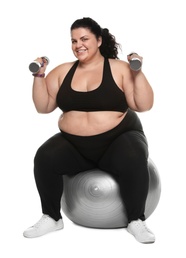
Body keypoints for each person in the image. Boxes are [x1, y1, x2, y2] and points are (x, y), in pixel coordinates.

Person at [23, 17, 155, 244]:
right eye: (74, 41)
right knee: (44, 157)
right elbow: (43, 107)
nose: (78, 45)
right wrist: (39, 76)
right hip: (76, 145)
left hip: (118, 140)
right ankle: (52, 217)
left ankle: (136, 220)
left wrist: (138, 72)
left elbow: (143, 105)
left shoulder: (120, 69)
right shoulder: (63, 71)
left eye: (84, 39)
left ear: (99, 40)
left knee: (133, 156)